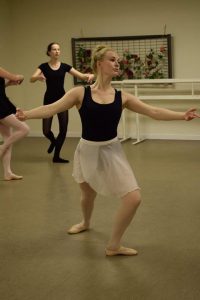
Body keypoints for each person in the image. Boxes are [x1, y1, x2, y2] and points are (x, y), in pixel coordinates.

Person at [16, 45, 200, 256]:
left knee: (133, 198)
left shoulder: (122, 97)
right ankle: (85, 222)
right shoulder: (80, 93)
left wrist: (181, 115)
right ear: (98, 63)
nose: (117, 63)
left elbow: (153, 111)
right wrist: (26, 114)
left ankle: (113, 245)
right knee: (87, 193)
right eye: (112, 60)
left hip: (112, 150)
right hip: (87, 150)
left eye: (117, 61)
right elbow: (52, 107)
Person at [30, 42, 94, 163]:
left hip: (63, 99)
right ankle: (53, 142)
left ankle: (56, 156)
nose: (57, 51)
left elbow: (81, 76)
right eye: (54, 49)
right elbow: (31, 78)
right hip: (49, 99)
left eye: (58, 49)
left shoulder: (65, 66)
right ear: (49, 52)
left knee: (63, 129)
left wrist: (89, 76)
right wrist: (38, 77)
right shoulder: (43, 66)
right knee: (46, 130)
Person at [0, 67, 29, 180]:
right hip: (1, 105)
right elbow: (17, 77)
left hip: (3, 102)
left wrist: (9, 84)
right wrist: (19, 77)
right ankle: (2, 147)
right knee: (24, 129)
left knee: (8, 137)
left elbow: (2, 86)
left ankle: (7, 172)